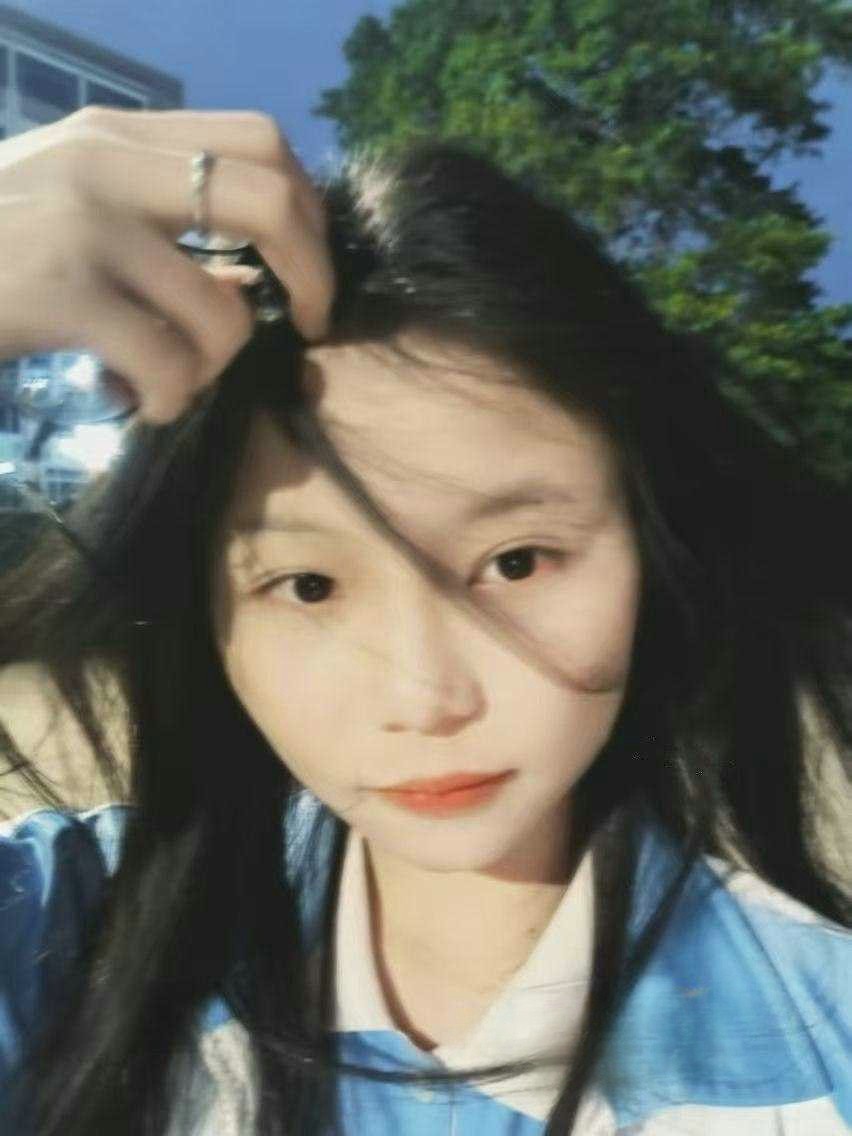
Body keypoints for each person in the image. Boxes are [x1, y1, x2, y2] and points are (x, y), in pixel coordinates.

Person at [0, 106, 849, 1136]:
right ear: (206, 608)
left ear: (651, 551)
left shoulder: (825, 1040)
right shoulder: (64, 931)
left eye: (517, 561)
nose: (425, 697)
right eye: (308, 585)